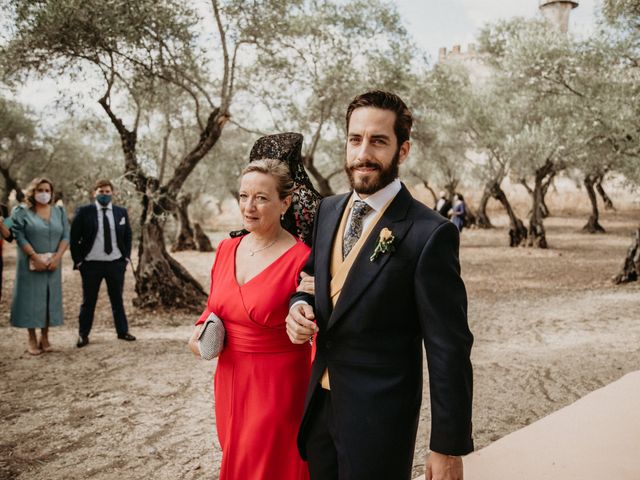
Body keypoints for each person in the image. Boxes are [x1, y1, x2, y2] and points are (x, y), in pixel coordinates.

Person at [286, 90, 474, 480]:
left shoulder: (429, 233)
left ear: (402, 150)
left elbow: (448, 348)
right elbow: (311, 280)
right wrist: (298, 307)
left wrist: (447, 446)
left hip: (380, 423)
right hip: (319, 410)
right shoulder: (328, 210)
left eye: (378, 141)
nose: (363, 153)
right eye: (355, 139)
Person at [189, 158, 312, 480]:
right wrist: (201, 334)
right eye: (244, 196)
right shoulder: (227, 248)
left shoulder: (303, 259)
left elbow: (312, 324)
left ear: (285, 202)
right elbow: (213, 308)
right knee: (237, 459)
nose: (249, 206)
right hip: (229, 378)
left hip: (277, 385)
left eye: (261, 198)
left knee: (268, 467)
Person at [70, 179, 135, 348]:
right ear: (94, 193)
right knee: (88, 301)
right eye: (101, 191)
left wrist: (125, 257)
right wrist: (79, 261)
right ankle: (83, 334)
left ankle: (122, 331)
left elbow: (127, 236)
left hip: (115, 264)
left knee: (117, 300)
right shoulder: (84, 212)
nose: (104, 195)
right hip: (91, 265)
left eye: (107, 192)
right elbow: (74, 238)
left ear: (112, 193)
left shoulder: (121, 212)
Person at [9, 178, 70, 355]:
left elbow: (66, 235)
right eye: (40, 190)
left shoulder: (59, 211)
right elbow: (18, 236)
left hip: (52, 264)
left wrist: (58, 258)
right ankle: (31, 337)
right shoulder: (21, 212)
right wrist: (34, 257)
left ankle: (45, 336)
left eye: (47, 190)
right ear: (33, 192)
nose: (44, 193)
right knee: (30, 299)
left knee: (48, 298)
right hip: (30, 263)